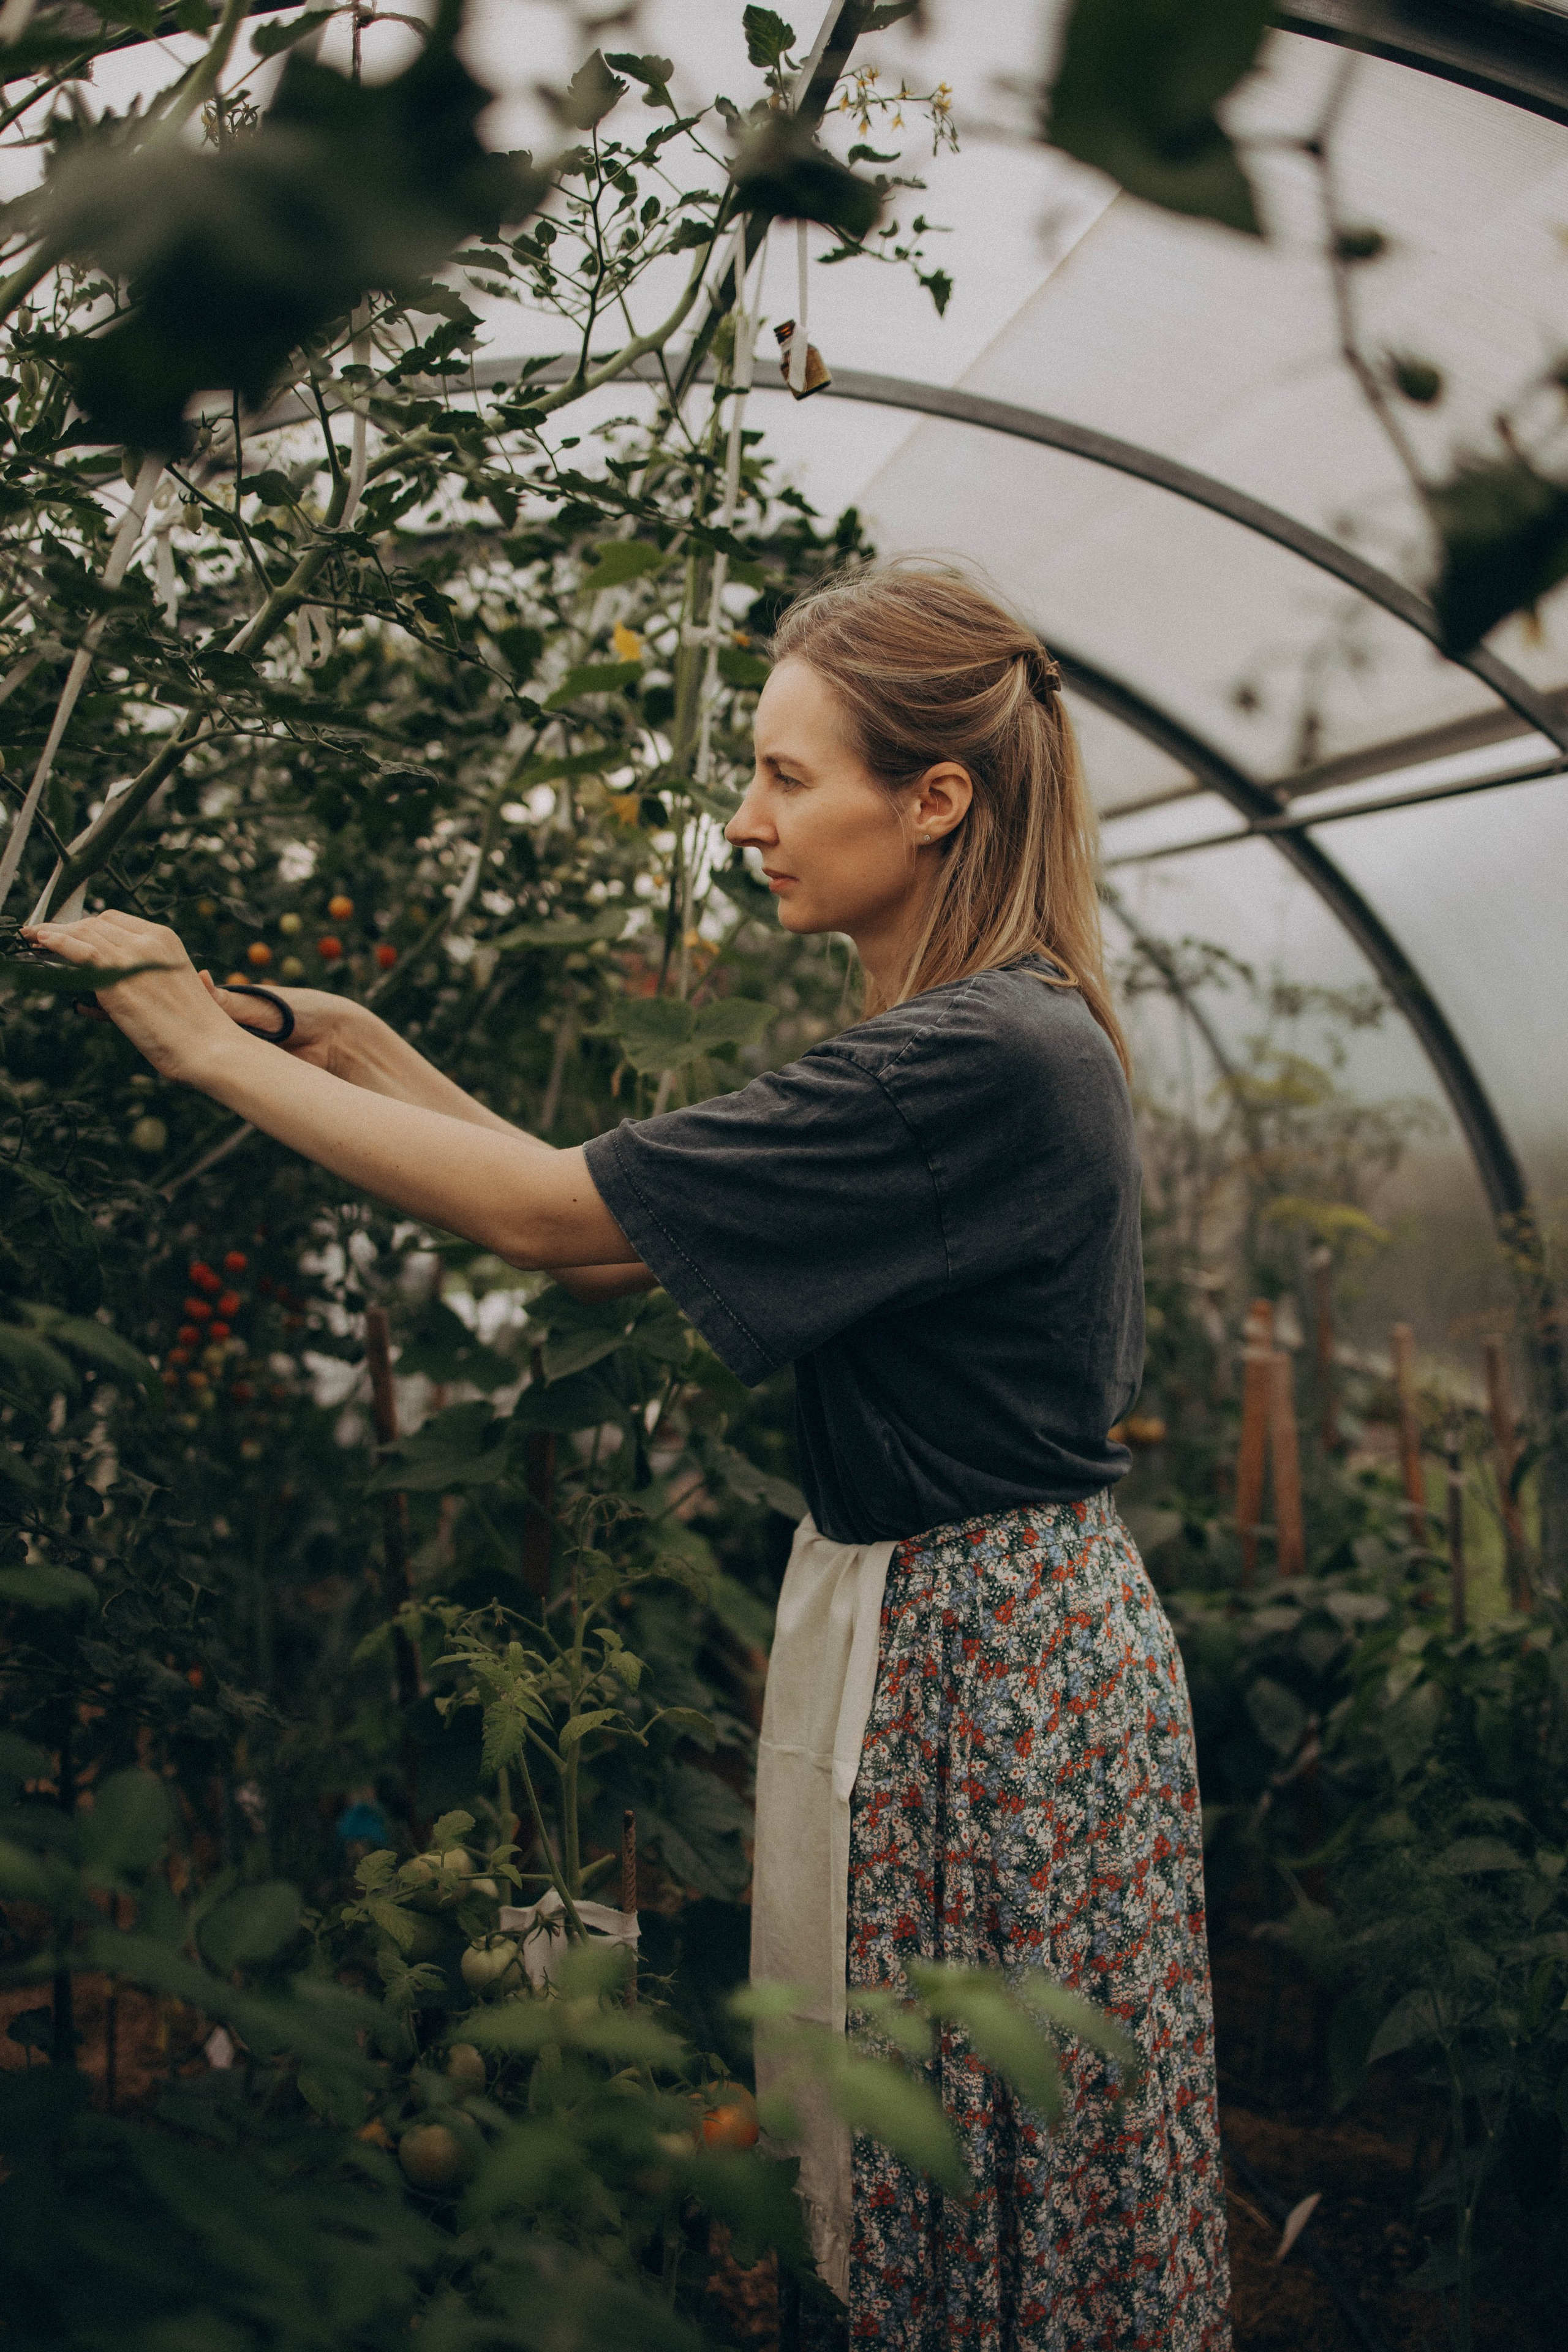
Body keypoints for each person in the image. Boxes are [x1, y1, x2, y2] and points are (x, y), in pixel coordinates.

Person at [25, 563, 1231, 2351]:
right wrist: (345, 1042)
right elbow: (609, 1226)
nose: (744, 822)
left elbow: (548, 1222)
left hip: (987, 1670)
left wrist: (204, 1051)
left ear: (936, 798)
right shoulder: (997, 1035)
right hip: (1005, 1631)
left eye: (783, 778)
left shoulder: (966, 1061)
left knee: (959, 2173)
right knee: (974, 2156)